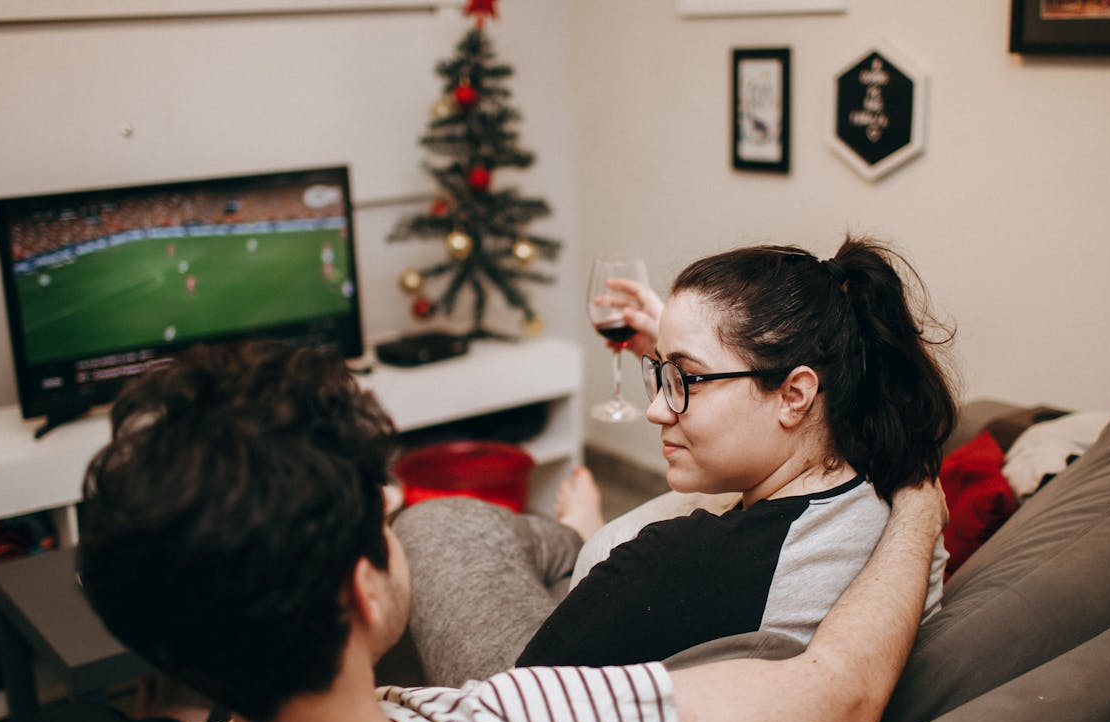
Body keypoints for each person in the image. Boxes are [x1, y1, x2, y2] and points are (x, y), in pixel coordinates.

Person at [38, 340, 943, 722]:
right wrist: (919, 499)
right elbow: (842, 689)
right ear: (362, 588)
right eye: (387, 524)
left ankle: (180, 711)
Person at [405, 237, 957, 683]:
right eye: (661, 375)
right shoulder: (881, 481)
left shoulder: (680, 563)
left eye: (686, 379)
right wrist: (682, 354)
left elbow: (514, 709)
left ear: (795, 395)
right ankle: (574, 538)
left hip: (524, 687)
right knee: (524, 533)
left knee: (439, 521)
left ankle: (572, 539)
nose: (655, 410)